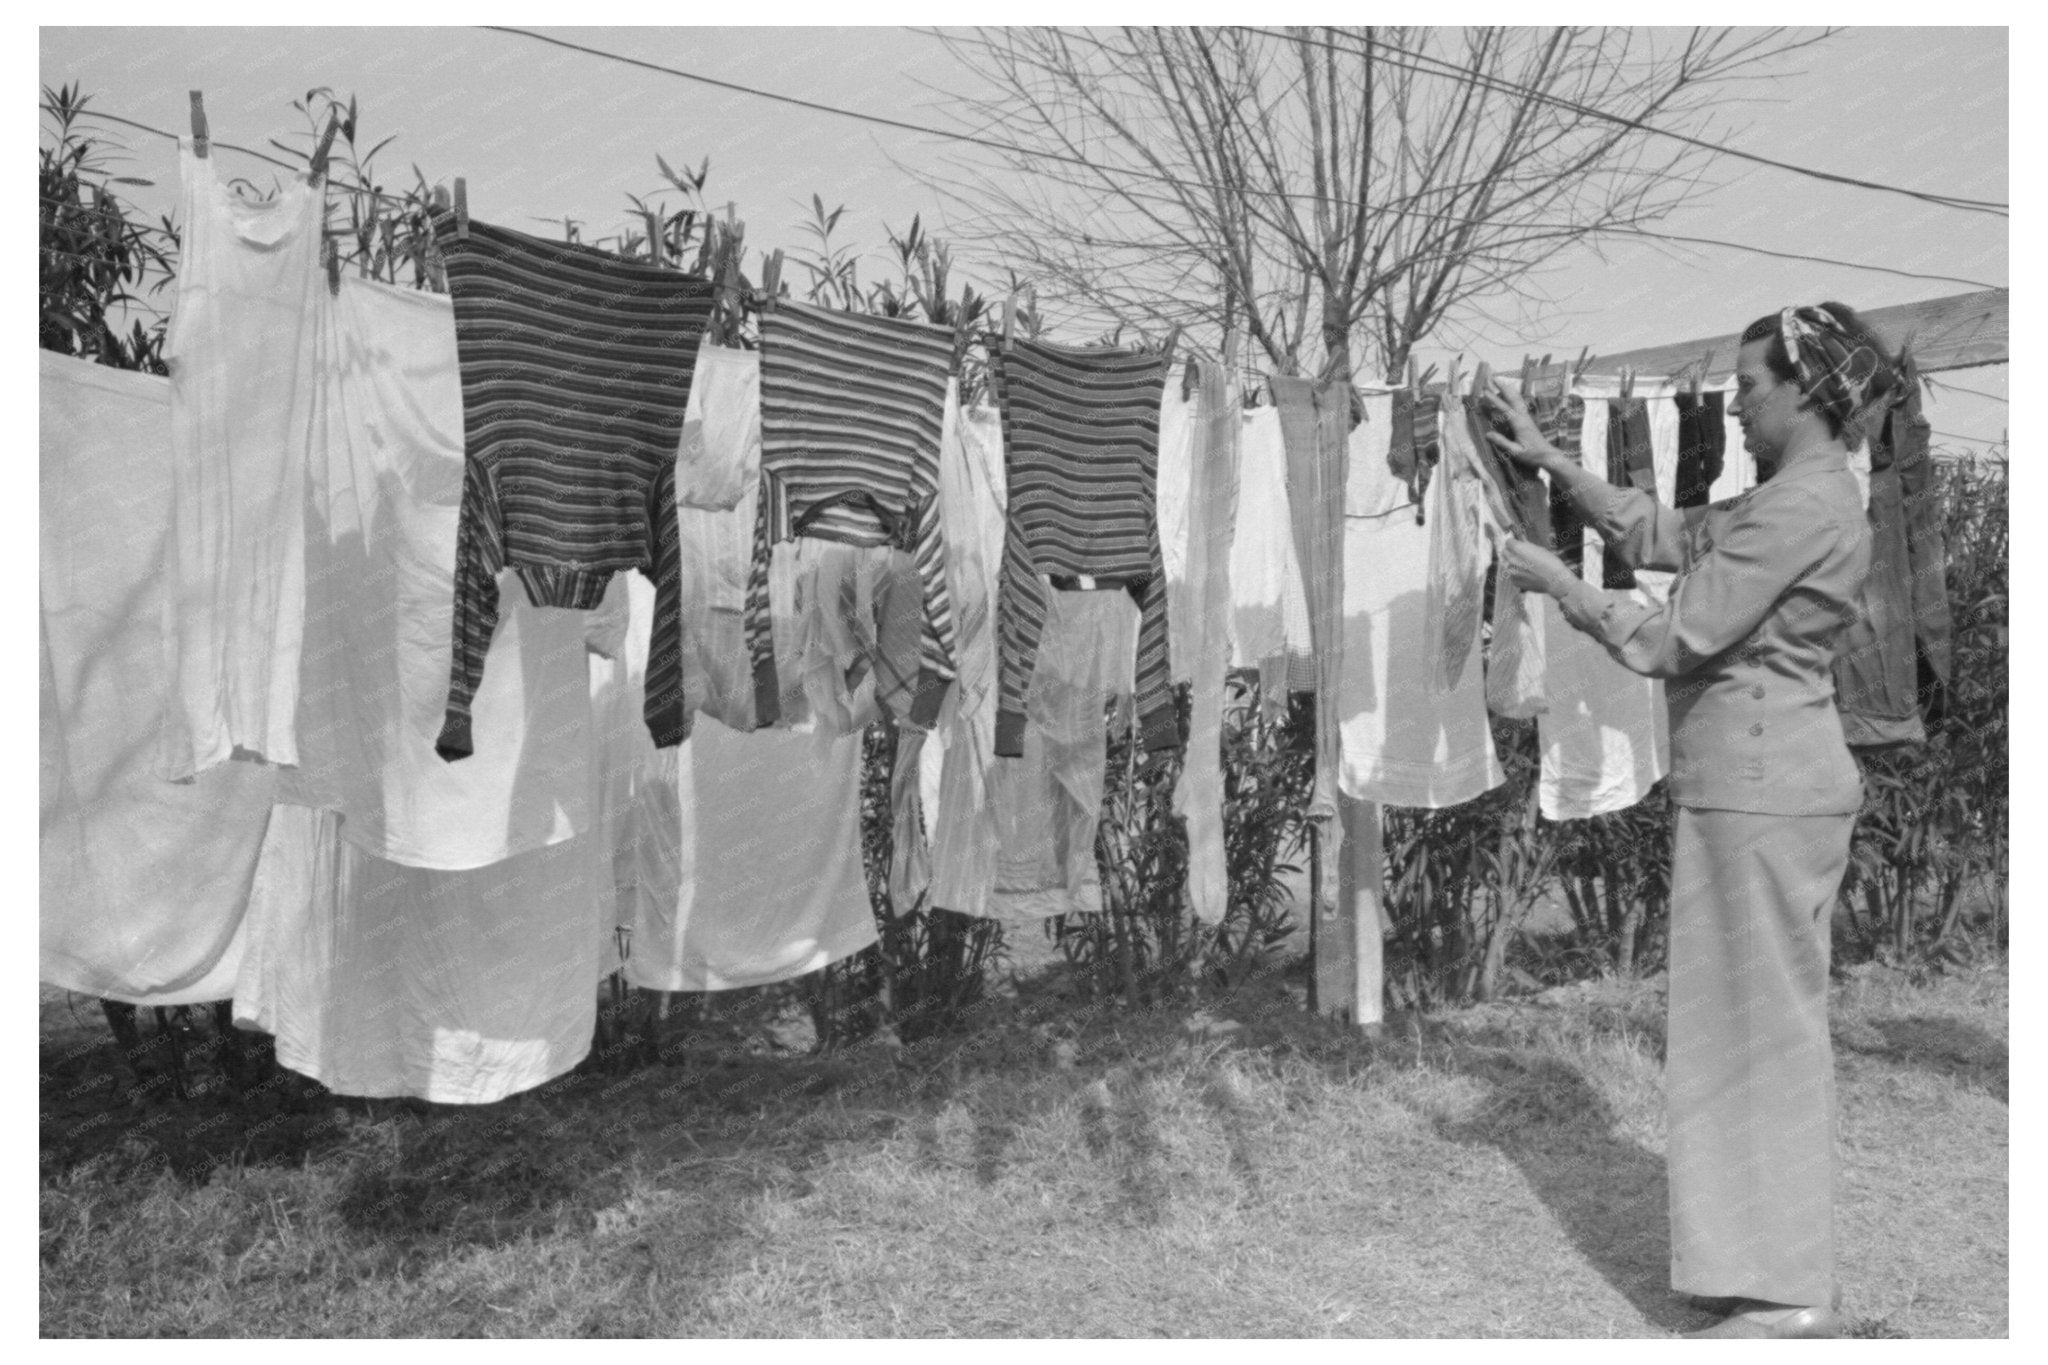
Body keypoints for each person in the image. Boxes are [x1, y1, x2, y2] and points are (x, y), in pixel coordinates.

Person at [1481, 303, 1892, 1340]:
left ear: (1805, 388)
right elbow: (1663, 534)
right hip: (1749, 783)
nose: (1738, 404)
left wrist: (1556, 584)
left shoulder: (1805, 507)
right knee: (1731, 1034)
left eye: (1750, 384)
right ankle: (1749, 1267)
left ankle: (1787, 1292)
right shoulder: (1793, 494)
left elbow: (1673, 638)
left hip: (1763, 787)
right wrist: (1550, 463)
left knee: (1762, 1038)